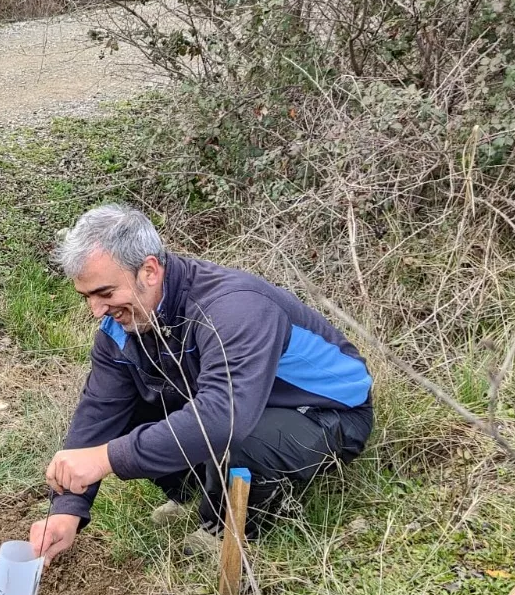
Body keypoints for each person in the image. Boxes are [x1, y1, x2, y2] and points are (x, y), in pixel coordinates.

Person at [28, 204, 375, 561]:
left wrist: (106, 458)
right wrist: (67, 509)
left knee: (236, 440)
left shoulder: (233, 309)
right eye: (87, 297)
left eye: (105, 293)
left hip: (326, 412)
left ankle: (221, 523)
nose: (96, 310)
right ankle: (199, 491)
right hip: (243, 403)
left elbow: (223, 419)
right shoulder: (122, 326)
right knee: (133, 413)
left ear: (149, 270)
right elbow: (99, 413)